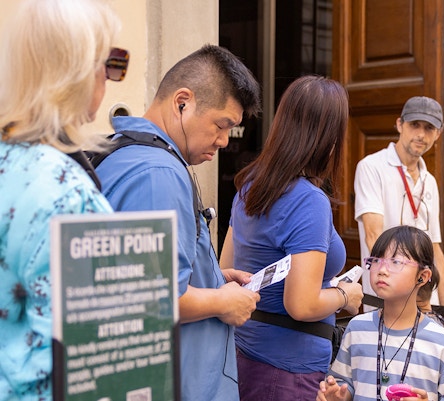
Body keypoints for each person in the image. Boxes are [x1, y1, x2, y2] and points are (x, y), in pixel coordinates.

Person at [95, 44, 262, 401]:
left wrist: (214, 280)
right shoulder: (159, 174)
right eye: (222, 125)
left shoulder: (122, 152)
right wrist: (222, 303)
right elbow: (150, 300)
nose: (223, 141)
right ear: (182, 102)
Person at [0, 0, 124, 398]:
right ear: (76, 71)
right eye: (109, 63)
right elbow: (92, 354)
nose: (110, 78)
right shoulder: (69, 194)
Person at [219, 75, 364, 401]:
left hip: (245, 355)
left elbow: (226, 269)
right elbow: (301, 303)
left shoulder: (250, 186)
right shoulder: (309, 200)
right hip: (287, 370)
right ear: (329, 137)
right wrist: (345, 295)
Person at [354, 96, 444, 347]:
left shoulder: (430, 181)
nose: (421, 134)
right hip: (387, 301)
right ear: (399, 125)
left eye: (429, 128)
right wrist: (409, 298)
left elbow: (435, 249)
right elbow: (374, 237)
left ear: (438, 134)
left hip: (426, 305)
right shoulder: (372, 167)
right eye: (414, 125)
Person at [317, 226, 444, 401]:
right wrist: (338, 394)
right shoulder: (357, 328)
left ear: (423, 276)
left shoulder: (442, 342)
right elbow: (344, 381)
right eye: (376, 260)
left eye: (396, 262)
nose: (382, 270)